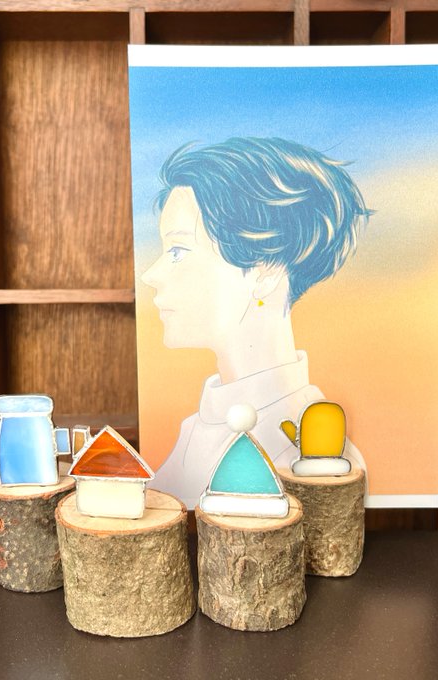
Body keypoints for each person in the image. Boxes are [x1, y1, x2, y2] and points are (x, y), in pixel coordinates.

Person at [142, 137, 371, 507]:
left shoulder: (315, 453)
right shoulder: (194, 430)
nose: (151, 274)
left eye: (178, 251)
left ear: (266, 271)